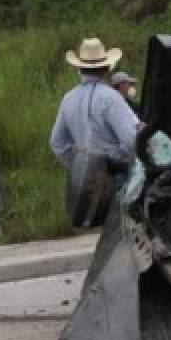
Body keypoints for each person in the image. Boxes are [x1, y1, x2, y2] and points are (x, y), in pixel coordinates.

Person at [50, 37, 140, 227]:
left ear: (80, 69)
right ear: (107, 68)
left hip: (87, 184)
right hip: (116, 177)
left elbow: (57, 143)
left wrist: (81, 166)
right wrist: (113, 160)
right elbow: (131, 140)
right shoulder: (111, 98)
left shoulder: (68, 99)